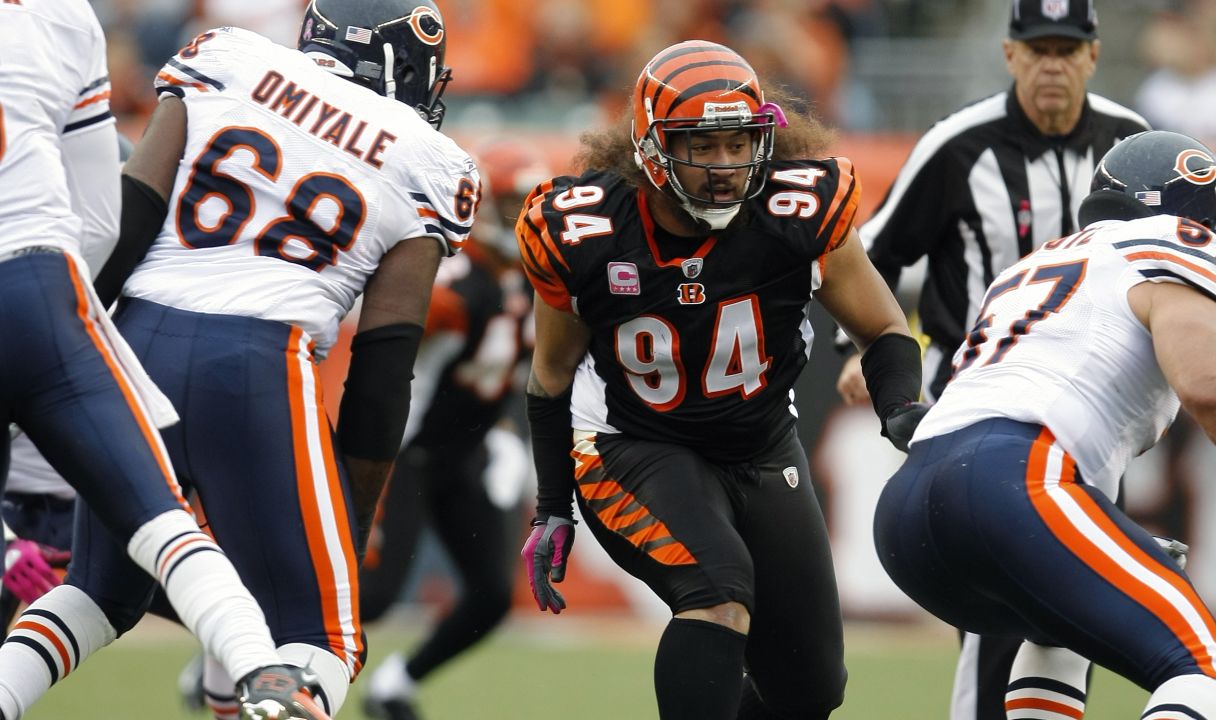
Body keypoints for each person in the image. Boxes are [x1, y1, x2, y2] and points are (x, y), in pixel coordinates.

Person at [0, 0, 480, 717]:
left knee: (98, 593)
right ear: (405, 63)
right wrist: (355, 514)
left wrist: (72, 366)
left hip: (135, 340)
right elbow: (383, 370)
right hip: (259, 367)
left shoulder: (229, 58)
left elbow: (128, 218)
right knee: (327, 637)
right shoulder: (431, 160)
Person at [518, 40, 922, 719]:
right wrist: (553, 504)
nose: (727, 165)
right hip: (632, 445)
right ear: (651, 147)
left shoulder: (798, 211)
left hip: (760, 446)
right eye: (701, 147)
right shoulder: (583, 230)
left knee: (811, 689)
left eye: (739, 143)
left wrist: (902, 411)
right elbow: (551, 375)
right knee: (717, 592)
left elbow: (884, 329)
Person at [874, 129, 1216, 720]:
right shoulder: (1181, 241)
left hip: (911, 509)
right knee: (1203, 662)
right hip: (1014, 479)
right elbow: (1209, 386)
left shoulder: (1043, 262)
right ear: (1198, 208)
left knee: (1058, 630)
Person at [0, 1, 330, 718]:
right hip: (34, 284)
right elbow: (95, 218)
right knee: (165, 525)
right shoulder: (58, 16)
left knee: (95, 585)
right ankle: (265, 678)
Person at [833, 2, 1151, 716]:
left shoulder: (1131, 144)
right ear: (1009, 54)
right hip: (979, 406)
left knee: (1077, 615)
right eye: (1037, 49)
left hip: (1092, 416)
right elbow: (868, 254)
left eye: (1067, 50)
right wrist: (862, 349)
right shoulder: (958, 144)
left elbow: (1181, 262)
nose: (1052, 65)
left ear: (1093, 56)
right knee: (999, 607)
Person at [354, 139, 545, 720]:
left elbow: (518, 373)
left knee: (490, 595)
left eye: (530, 208)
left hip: (467, 452)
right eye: (511, 208)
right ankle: (242, 646)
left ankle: (394, 684)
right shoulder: (454, 277)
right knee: (375, 599)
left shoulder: (543, 283)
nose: (521, 223)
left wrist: (506, 433)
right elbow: (381, 349)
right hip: (404, 455)